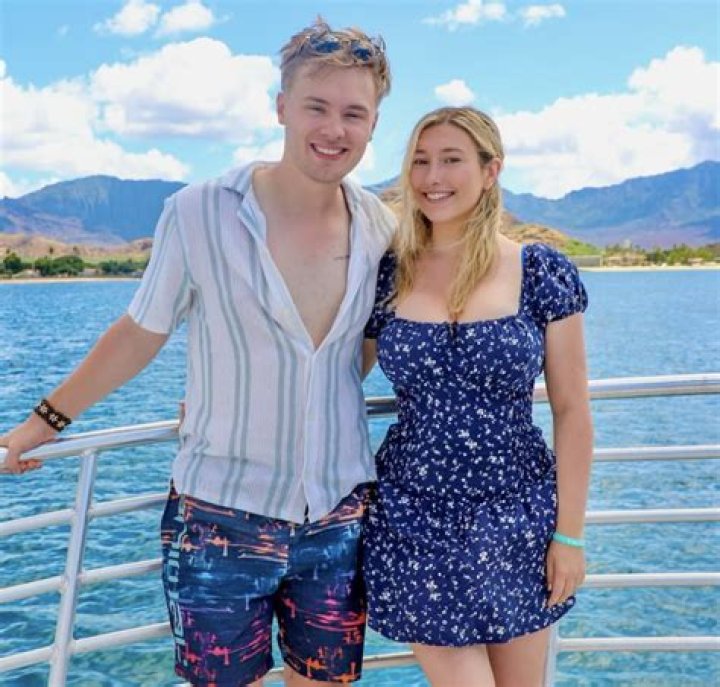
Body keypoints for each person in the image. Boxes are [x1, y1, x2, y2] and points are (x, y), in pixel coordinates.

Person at [0, 19, 395, 687]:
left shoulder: (381, 227)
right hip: (218, 518)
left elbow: (356, 350)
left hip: (337, 515)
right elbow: (139, 333)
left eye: (354, 113)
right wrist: (43, 421)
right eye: (317, 107)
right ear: (281, 107)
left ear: (374, 122)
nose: (334, 128)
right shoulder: (199, 212)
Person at [362, 106, 593, 687]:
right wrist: (228, 400)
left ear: (491, 171)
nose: (432, 176)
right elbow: (330, 374)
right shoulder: (389, 273)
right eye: (420, 161)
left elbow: (572, 411)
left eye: (451, 160)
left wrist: (569, 535)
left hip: (518, 515)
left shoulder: (540, 271)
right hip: (414, 518)